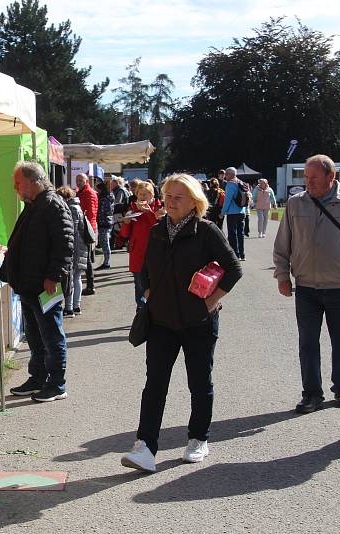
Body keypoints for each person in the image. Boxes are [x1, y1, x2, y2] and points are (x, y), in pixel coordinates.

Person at [120, 173, 242, 473]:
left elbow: (233, 268)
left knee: (199, 382)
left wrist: (211, 300)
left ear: (194, 202)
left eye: (179, 197)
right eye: (169, 196)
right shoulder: (159, 229)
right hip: (162, 321)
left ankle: (199, 438)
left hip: (198, 321)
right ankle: (145, 446)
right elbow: (146, 268)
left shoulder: (207, 230)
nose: (171, 202)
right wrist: (149, 292)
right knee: (155, 385)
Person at [273, 154, 340, 414]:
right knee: (307, 343)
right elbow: (283, 243)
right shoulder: (296, 204)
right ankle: (312, 394)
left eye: (314, 178)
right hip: (306, 288)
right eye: (306, 177)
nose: (308, 183)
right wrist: (283, 275)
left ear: (332, 176)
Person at [2, 161, 73, 402]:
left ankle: (57, 383)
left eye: (18, 183)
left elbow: (64, 245)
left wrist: (53, 276)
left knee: (51, 335)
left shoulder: (52, 204)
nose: (16, 188)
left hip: (45, 285)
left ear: (33, 182)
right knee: (35, 336)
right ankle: (39, 377)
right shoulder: (35, 205)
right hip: (30, 284)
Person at [119, 180, 163, 310]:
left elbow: (158, 229)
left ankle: (155, 309)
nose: (142, 197)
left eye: (145, 194)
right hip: (137, 252)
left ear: (152, 195)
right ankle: (142, 310)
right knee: (139, 284)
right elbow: (125, 234)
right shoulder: (132, 209)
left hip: (155, 253)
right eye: (140, 194)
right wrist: (126, 223)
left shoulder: (160, 209)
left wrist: (149, 213)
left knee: (156, 283)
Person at [56, 186, 88, 318]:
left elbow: (71, 232)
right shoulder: (77, 207)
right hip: (81, 247)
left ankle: (70, 308)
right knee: (76, 277)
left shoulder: (70, 208)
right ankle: (76, 306)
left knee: (71, 278)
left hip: (74, 248)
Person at [76, 173, 98, 295]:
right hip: (89, 227)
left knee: (87, 258)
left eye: (80, 180)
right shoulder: (86, 192)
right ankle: (90, 284)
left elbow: (89, 213)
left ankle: (90, 285)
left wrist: (84, 226)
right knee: (88, 257)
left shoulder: (88, 193)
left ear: (86, 181)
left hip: (86, 228)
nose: (78, 182)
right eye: (77, 180)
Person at [221, 166, 247, 260]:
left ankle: (235, 254)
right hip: (242, 211)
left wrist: (222, 212)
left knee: (232, 234)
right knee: (241, 233)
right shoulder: (241, 183)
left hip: (232, 212)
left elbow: (227, 200)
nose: (225, 176)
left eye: (226, 174)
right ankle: (242, 254)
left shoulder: (230, 184)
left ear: (230, 174)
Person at [95, 180, 114, 270]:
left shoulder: (103, 199)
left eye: (97, 189)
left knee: (105, 243)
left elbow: (100, 212)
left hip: (104, 222)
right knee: (105, 242)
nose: (96, 191)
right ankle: (107, 261)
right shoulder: (109, 197)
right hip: (108, 221)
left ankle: (106, 263)